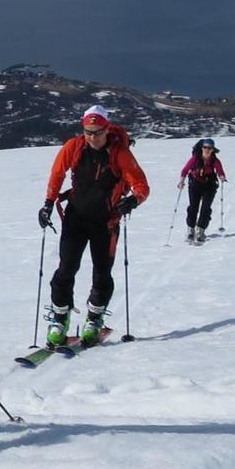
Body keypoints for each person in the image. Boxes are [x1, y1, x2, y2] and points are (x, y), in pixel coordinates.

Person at [37, 104, 149, 347]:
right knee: (66, 269)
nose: (93, 137)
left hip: (106, 222)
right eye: (88, 132)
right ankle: (59, 319)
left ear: (107, 130)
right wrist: (47, 203)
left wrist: (133, 200)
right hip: (75, 218)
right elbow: (57, 174)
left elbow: (141, 185)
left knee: (102, 272)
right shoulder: (74, 147)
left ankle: (94, 319)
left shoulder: (120, 153)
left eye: (98, 132)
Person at [177, 137, 227, 243]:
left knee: (206, 208)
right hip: (195, 183)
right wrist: (181, 181)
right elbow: (185, 170)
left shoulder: (214, 160)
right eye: (205, 147)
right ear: (202, 148)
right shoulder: (195, 158)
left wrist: (222, 177)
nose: (207, 150)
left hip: (209, 185)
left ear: (213, 149)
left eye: (209, 148)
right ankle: (190, 229)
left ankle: (200, 230)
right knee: (193, 207)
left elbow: (220, 170)